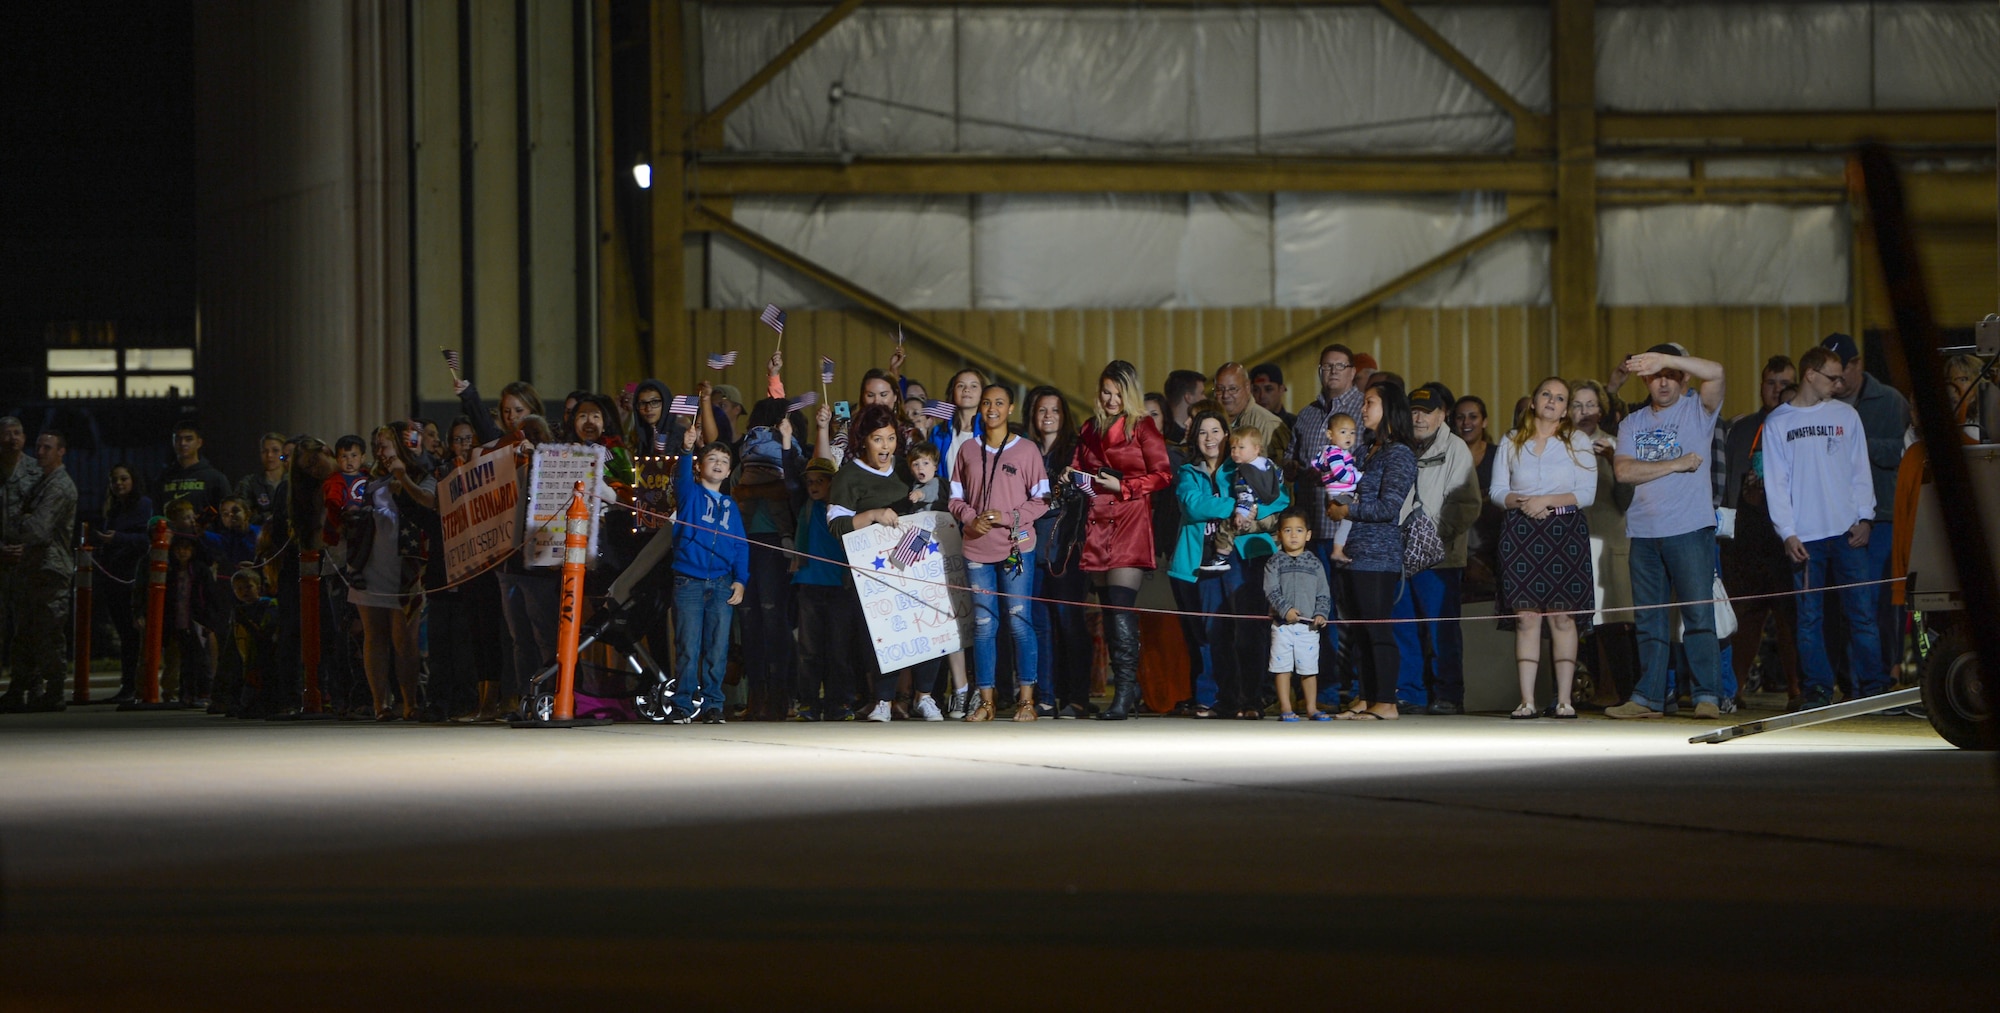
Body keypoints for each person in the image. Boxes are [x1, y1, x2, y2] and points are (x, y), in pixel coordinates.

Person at [1605, 346, 1728, 720]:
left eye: (1670, 375)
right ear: (1645, 379)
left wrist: (1668, 360)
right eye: (1656, 375)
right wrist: (1678, 463)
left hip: (1690, 528)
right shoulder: (1632, 423)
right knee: (1649, 619)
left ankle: (1707, 694)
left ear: (1682, 377)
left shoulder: (1697, 410)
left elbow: (1717, 370)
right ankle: (1648, 698)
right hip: (1643, 532)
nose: (1662, 381)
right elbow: (1624, 472)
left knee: (1698, 615)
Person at [1763, 347, 1881, 710]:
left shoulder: (1847, 416)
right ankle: (1816, 689)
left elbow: (1860, 470)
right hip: (1807, 538)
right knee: (1810, 617)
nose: (1839, 383)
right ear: (1811, 375)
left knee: (1861, 612)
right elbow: (1776, 483)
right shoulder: (1778, 423)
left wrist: (1866, 517)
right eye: (1833, 377)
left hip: (1848, 532)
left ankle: (1874, 688)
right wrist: (1787, 532)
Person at [829, 403, 946, 722]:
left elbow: (937, 493)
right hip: (872, 570)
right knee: (882, 634)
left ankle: (924, 696)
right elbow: (835, 526)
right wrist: (872, 516)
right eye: (878, 439)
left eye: (891, 438)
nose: (885, 446)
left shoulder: (907, 468)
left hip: (914, 560)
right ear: (864, 439)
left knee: (929, 623)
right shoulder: (849, 476)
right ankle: (882, 699)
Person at [1489, 379, 1598, 719]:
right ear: (1534, 402)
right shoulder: (1510, 440)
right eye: (1546, 395)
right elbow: (1496, 491)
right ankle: (1527, 700)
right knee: (1526, 617)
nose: (1552, 401)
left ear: (1566, 409)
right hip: (1520, 531)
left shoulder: (1578, 441)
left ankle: (1565, 699)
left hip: (1563, 530)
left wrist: (1546, 501)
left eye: (1560, 398)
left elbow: (1587, 494)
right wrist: (1521, 502)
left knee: (1563, 618)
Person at [1171, 408, 1288, 719]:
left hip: (1243, 556)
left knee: (1249, 629)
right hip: (1204, 560)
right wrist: (1237, 506)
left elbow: (1278, 499)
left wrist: (1253, 514)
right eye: (1202, 432)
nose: (1210, 438)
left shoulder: (1243, 466)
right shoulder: (1188, 472)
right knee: (1215, 632)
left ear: (1227, 435)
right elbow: (1192, 505)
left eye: (1216, 431)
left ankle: (1252, 699)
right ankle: (1226, 699)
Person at [1071, 361, 1173, 719]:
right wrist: (1073, 478)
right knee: (1107, 609)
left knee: (1120, 606)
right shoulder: (1089, 427)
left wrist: (1126, 486)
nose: (1111, 399)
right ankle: (1124, 690)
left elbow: (1163, 474)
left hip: (1129, 518)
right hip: (1097, 521)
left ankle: (1126, 689)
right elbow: (1078, 468)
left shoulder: (1142, 426)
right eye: (1106, 392)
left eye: (1118, 393)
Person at [950, 384, 1049, 722]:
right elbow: (955, 498)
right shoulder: (966, 450)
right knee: (983, 627)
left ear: (1011, 409)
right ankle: (987, 702)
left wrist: (1009, 518)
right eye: (987, 402)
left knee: (1020, 624)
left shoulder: (1027, 451)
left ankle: (1026, 701)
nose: (992, 408)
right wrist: (968, 518)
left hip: (1016, 548)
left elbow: (1042, 500)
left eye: (1000, 403)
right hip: (977, 547)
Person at [1822, 332, 1912, 696]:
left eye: (1840, 372)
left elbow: (1903, 453)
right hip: (1836, 519)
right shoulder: (1823, 403)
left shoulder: (1889, 401)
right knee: (1844, 605)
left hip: (1884, 518)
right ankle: (1852, 680)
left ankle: (1881, 677)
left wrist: (1855, 445)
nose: (1835, 380)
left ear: (1857, 365)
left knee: (1877, 604)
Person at [1392, 382, 1481, 715]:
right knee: (1403, 626)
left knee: (1440, 628)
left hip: (1439, 559)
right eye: (1413, 410)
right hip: (1399, 556)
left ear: (1442, 414)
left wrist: (1431, 538)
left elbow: (1467, 503)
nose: (1418, 417)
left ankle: (1448, 693)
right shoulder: (1397, 445)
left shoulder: (1456, 448)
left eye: (1426, 412)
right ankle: (1410, 692)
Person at [1720, 357, 1801, 706]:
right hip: (1747, 536)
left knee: (1791, 618)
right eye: (1771, 383)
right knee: (1743, 618)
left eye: (1785, 383)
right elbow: (1726, 483)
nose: (1778, 389)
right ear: (1761, 386)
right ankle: (1733, 690)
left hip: (1788, 537)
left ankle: (1799, 691)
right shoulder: (1742, 428)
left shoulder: (1802, 426)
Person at [1333, 383, 1417, 721]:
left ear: (1390, 408)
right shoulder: (1370, 449)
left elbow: (1388, 507)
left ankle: (1386, 701)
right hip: (1356, 551)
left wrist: (1347, 512)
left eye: (1370, 402)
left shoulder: (1399, 453)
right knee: (1360, 630)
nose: (1363, 408)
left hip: (1378, 555)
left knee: (1377, 629)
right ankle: (1367, 697)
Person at [346, 424, 438, 721]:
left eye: (384, 445)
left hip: (405, 567)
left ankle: (409, 702)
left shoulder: (422, 474)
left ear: (400, 446)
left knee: (404, 639)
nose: (380, 452)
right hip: (371, 564)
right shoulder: (370, 478)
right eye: (377, 446)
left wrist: (402, 477)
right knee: (374, 636)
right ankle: (379, 704)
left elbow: (428, 502)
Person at [670, 424, 749, 724]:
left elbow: (741, 546)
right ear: (701, 466)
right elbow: (681, 478)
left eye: (724, 461)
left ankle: (713, 703)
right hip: (688, 580)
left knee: (718, 646)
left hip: (721, 583)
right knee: (688, 645)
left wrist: (740, 580)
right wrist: (686, 450)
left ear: (729, 472)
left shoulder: (731, 506)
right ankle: (683, 704)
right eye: (712, 458)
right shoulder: (690, 495)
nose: (717, 464)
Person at [732, 401, 806, 721]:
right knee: (755, 619)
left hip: (773, 542)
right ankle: (761, 693)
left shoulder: (788, 453)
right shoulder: (747, 458)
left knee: (768, 619)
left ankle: (776, 694)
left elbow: (793, 488)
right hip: (755, 541)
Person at [1025, 386, 1095, 718]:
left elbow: (1090, 495)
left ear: (1064, 415)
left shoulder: (1077, 451)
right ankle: (1046, 696)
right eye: (1042, 410)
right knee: (1040, 626)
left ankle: (1076, 696)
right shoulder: (1023, 451)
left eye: (1054, 409)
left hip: (1067, 550)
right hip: (1031, 549)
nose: (1048, 415)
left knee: (1070, 624)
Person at [433, 417, 508, 722]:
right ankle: (482, 702)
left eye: (469, 439)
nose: (464, 445)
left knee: (491, 633)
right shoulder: (447, 474)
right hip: (467, 564)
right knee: (475, 633)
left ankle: (494, 701)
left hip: (492, 563)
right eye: (458, 440)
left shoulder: (492, 467)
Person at [1569, 379, 1638, 708]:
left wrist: (1614, 462)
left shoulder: (1615, 445)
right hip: (1568, 541)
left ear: (1602, 410)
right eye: (1577, 405)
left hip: (1608, 541)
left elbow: (1627, 501)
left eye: (1590, 405)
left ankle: (1622, 691)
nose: (1584, 412)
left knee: (1612, 624)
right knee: (1572, 623)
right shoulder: (1556, 447)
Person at [0, 430, 77, 711]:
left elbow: (39, 529)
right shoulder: (42, 483)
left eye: (48, 447)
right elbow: (20, 518)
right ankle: (21, 687)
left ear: (61, 451)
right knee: (25, 633)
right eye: (39, 447)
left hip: (50, 569)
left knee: (48, 631)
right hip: (32, 567)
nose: (41, 452)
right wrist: (23, 521)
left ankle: (54, 690)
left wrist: (22, 523)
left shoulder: (59, 486)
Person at [792, 454, 857, 720]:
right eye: (810, 482)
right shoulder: (806, 507)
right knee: (809, 648)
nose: (814, 486)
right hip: (809, 583)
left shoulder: (844, 511)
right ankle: (807, 701)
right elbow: (789, 480)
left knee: (839, 648)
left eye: (821, 481)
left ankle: (839, 702)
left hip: (839, 585)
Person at [93, 463, 153, 702]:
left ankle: (136, 687)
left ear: (133, 481)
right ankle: (128, 685)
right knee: (124, 634)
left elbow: (147, 539)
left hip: (133, 577)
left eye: (123, 479)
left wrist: (118, 538)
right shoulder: (114, 507)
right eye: (114, 480)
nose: (119, 484)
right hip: (114, 577)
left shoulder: (144, 505)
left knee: (134, 633)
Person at [1264, 511, 1332, 721]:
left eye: (1299, 530)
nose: (1294, 535)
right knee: (1282, 668)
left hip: (1308, 628)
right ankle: (1286, 708)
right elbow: (1271, 590)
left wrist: (1321, 613)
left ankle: (1311, 708)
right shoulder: (1274, 562)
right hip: (1282, 626)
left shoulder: (1315, 563)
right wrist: (1285, 610)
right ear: (1279, 535)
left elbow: (1323, 592)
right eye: (1288, 530)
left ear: (1308, 535)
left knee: (1308, 669)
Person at [1199, 426, 1280, 572]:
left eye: (1241, 447)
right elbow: (1280, 479)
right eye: (1233, 448)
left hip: (1253, 517)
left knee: (1227, 526)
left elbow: (1245, 494)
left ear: (1256, 449)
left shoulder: (1243, 471)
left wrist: (1241, 513)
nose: (1235, 452)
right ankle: (1280, 556)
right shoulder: (1269, 465)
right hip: (1273, 516)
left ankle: (1221, 557)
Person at [1212, 362, 1290, 471]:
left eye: (1233, 389)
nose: (1225, 395)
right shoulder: (1209, 422)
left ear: (1247, 387)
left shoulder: (1266, 424)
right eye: (1220, 389)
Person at [158, 420, 232, 527]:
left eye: (189, 439)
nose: (183, 443)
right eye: (178, 439)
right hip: (171, 540)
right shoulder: (162, 478)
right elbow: (156, 515)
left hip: (205, 540)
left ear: (199, 442)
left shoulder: (215, 478)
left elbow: (226, 515)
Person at [236, 432, 290, 527]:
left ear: (284, 454)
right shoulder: (250, 482)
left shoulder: (293, 482)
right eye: (265, 451)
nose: (269, 455)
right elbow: (242, 513)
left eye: (275, 450)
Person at [1160, 369, 1209, 446]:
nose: (1205, 398)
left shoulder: (1162, 429)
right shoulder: (1165, 436)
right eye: (1202, 393)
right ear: (1188, 397)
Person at [1249, 362, 1297, 433]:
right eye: (1256, 390)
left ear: (1281, 390)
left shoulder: (1295, 426)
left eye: (1268, 389)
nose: (1262, 396)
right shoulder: (1247, 425)